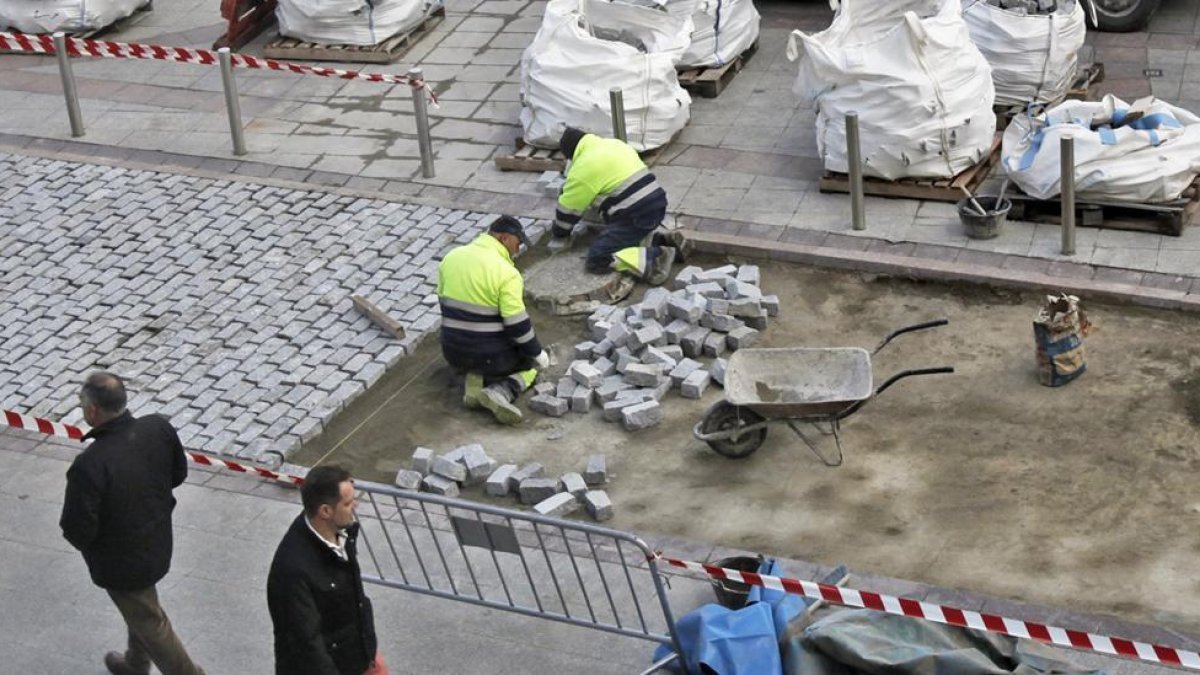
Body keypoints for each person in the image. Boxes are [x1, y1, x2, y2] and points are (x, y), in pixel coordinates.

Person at [59, 371, 205, 675]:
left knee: (150, 621)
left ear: (91, 411)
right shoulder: (157, 428)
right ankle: (136, 663)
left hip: (121, 562)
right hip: (157, 540)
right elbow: (177, 475)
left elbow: (78, 530)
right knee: (141, 609)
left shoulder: (90, 465)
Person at [267, 464, 386, 675]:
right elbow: (307, 644)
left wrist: (368, 651)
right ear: (325, 511)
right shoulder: (293, 570)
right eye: (348, 503)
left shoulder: (339, 533)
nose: (355, 506)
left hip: (358, 659)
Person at [436, 215, 551, 425]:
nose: (518, 250)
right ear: (504, 238)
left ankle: (474, 380)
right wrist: (536, 353)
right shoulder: (507, 273)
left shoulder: (451, 257)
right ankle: (501, 391)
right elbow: (518, 326)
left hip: (452, 352)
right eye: (518, 243)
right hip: (491, 358)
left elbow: (443, 303)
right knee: (530, 364)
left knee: (485, 341)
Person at [550, 126, 681, 286]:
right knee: (621, 234)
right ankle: (657, 238)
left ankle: (657, 257)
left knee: (598, 258)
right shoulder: (614, 145)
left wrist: (560, 234)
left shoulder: (583, 167)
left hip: (635, 216)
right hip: (657, 203)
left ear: (571, 154)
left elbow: (567, 212)